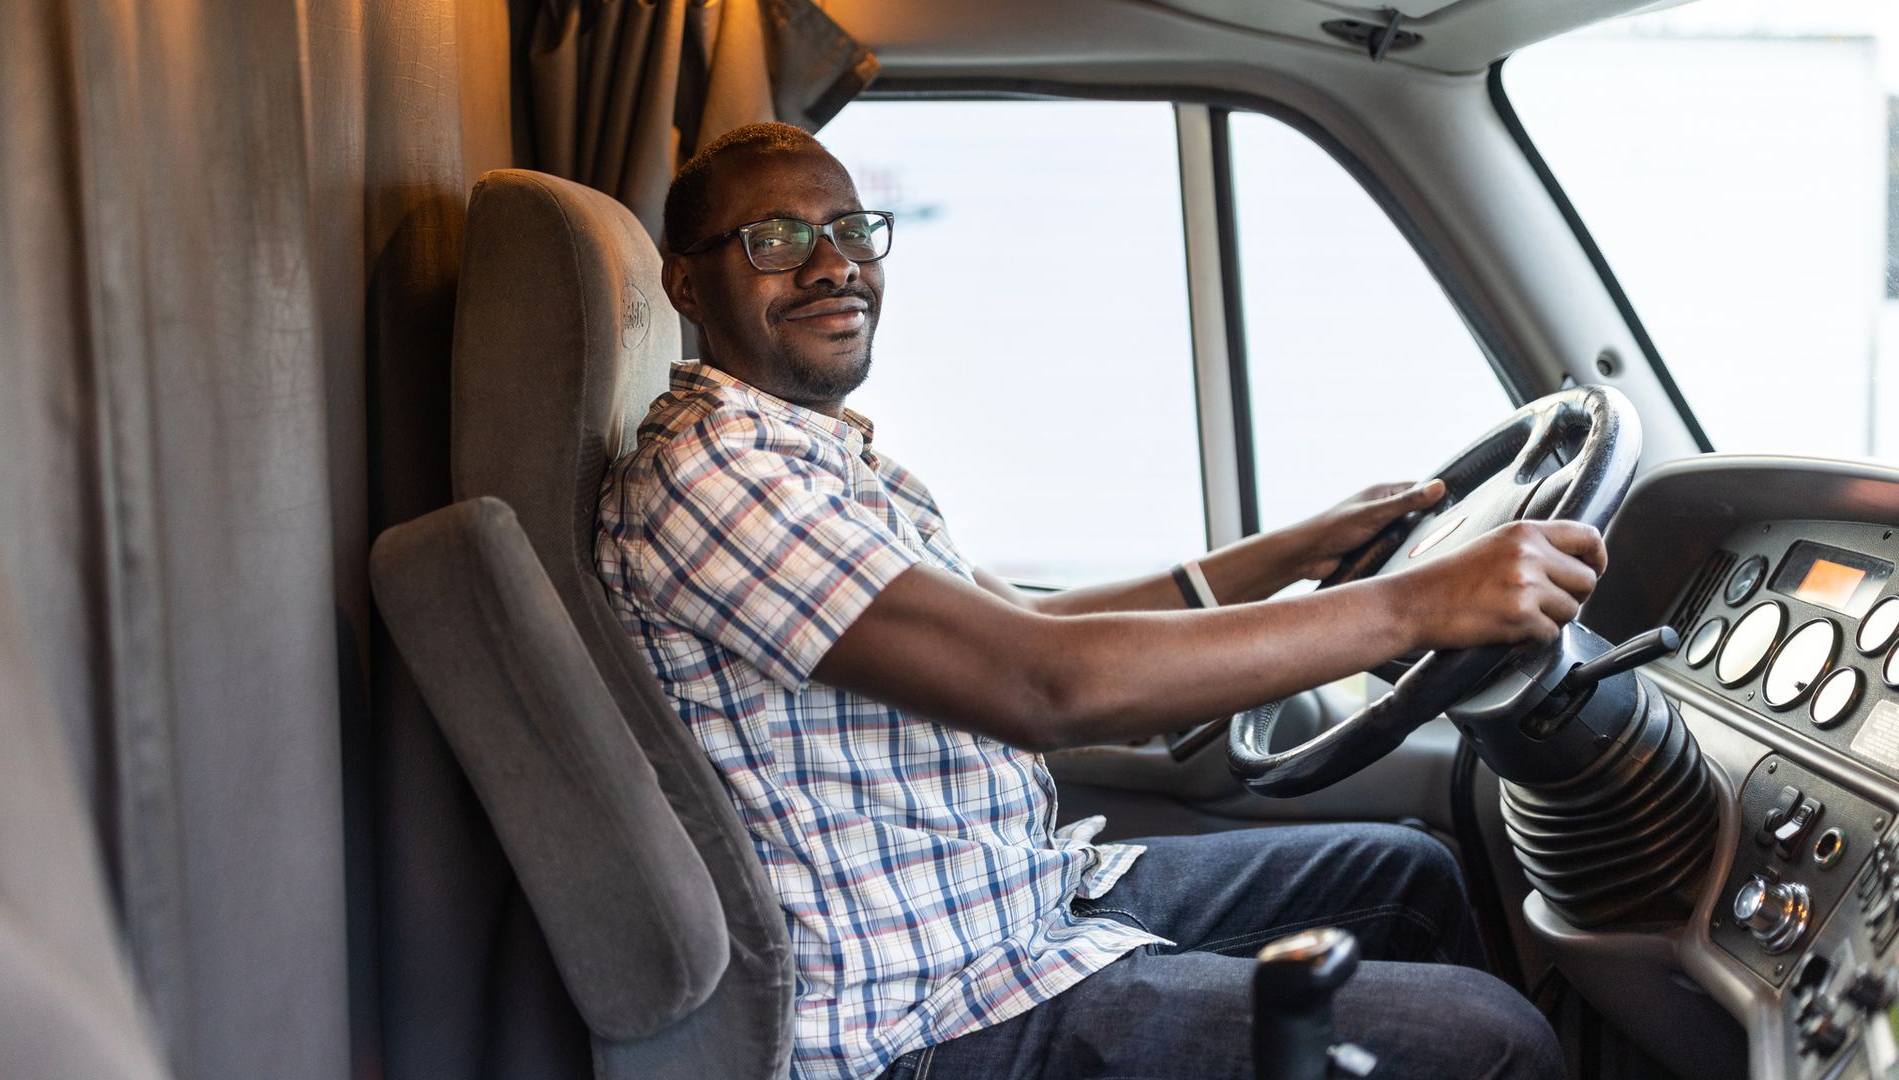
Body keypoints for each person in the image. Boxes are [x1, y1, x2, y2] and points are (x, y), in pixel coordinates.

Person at [596, 121, 1602, 1080]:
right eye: (776, 242)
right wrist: (1417, 606)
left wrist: (1297, 551)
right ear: (688, 281)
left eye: (852, 230)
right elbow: (1039, 685)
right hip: (922, 1018)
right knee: (1492, 1042)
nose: (833, 265)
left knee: (1406, 876)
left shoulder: (819, 456)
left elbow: (1030, 629)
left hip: (1012, 909)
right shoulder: (714, 479)